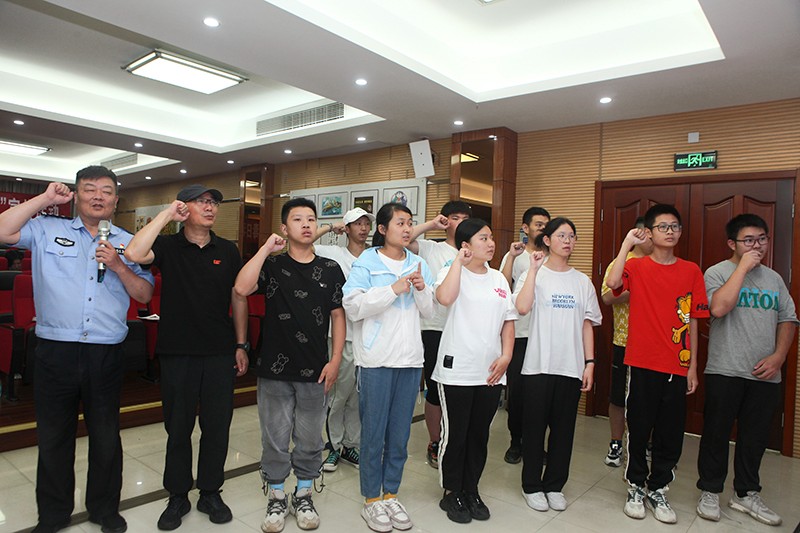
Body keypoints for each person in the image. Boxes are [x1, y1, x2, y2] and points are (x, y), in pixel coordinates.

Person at [0, 166, 154, 533]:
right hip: (55, 350)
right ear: (76, 195)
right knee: (54, 436)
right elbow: (3, 231)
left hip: (105, 352)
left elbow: (145, 293)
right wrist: (45, 199)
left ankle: (104, 509)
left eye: (106, 190)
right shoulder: (45, 229)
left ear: (116, 199)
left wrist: (118, 265)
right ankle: (53, 515)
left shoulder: (131, 243)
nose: (98, 196)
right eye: (89, 189)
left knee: (106, 435)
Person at [124, 184, 248, 531]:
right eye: (201, 202)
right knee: (178, 428)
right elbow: (133, 252)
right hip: (177, 351)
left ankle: (210, 491)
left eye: (214, 202)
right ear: (184, 207)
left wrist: (242, 344)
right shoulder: (167, 246)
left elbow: (238, 297)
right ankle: (178, 495)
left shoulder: (228, 249)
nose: (210, 207)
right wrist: (166, 214)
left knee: (217, 427)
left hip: (219, 351)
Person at [234, 197, 346, 533]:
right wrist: (265, 249)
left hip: (316, 368)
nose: (306, 224)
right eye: (297, 219)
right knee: (275, 436)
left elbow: (338, 316)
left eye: (311, 218)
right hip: (274, 368)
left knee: (310, 437)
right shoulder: (272, 266)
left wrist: (335, 359)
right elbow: (241, 288)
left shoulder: (330, 269)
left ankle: (304, 493)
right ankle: (277, 496)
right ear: (284, 228)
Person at [605, 204, 709, 524]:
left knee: (670, 431)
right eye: (663, 227)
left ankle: (659, 487)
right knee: (639, 427)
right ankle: (636, 486)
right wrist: (626, 243)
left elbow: (693, 319)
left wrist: (692, 367)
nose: (670, 232)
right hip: (641, 360)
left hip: (677, 364)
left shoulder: (691, 270)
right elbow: (612, 282)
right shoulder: (637, 266)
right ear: (649, 233)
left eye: (675, 226)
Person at [695, 214, 797, 526]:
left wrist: (779, 356)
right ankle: (710, 490)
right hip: (725, 369)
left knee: (754, 438)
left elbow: (788, 319)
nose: (757, 246)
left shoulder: (774, 279)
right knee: (716, 434)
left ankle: (746, 493)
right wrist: (743, 268)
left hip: (765, 373)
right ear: (732, 244)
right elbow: (718, 308)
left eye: (762, 239)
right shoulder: (716, 273)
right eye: (749, 240)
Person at [343, 202, 435, 533]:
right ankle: (371, 499)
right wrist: (392, 289)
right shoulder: (367, 262)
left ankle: (391, 494)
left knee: (399, 435)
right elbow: (353, 306)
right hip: (376, 360)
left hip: (409, 360)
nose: (407, 228)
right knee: (374, 434)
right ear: (382, 229)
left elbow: (429, 311)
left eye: (410, 223)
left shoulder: (419, 263)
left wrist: (421, 290)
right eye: (400, 223)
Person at [514, 218, 601, 513]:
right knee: (534, 429)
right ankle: (531, 485)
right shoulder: (534, 273)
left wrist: (590, 362)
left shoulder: (582, 281)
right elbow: (521, 307)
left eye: (572, 236)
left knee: (564, 431)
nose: (568, 241)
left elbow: (587, 324)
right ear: (548, 240)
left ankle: (554, 485)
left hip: (571, 366)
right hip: (538, 365)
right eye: (562, 235)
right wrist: (533, 270)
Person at [433, 218, 517, 523]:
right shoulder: (451, 271)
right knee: (455, 434)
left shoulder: (498, 280)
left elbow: (508, 321)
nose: (491, 243)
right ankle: (451, 490)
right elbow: (445, 298)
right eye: (483, 238)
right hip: (457, 369)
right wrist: (458, 261)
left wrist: (506, 356)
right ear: (466, 245)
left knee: (479, 434)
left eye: (491, 237)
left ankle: (471, 489)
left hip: (490, 371)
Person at [408, 200, 472, 469]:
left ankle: (453, 438)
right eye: (455, 218)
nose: (460, 223)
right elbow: (404, 239)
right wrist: (433, 224)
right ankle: (435, 441)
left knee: (458, 389)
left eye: (465, 218)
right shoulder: (431, 248)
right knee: (435, 388)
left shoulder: (474, 252)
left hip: (465, 329)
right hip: (434, 327)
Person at [312, 208, 375, 472]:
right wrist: (330, 227)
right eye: (357, 224)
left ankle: (351, 445)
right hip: (342, 337)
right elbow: (305, 243)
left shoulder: (375, 255)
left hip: (369, 338)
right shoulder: (335, 254)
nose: (363, 228)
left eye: (366, 224)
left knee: (358, 397)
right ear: (347, 229)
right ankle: (334, 446)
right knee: (338, 395)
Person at [497, 206, 550, 464]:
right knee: (517, 393)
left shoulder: (553, 257)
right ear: (526, 228)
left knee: (540, 394)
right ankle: (516, 441)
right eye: (538, 224)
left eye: (546, 225)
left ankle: (536, 444)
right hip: (519, 334)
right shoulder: (515, 256)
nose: (543, 229)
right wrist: (510, 256)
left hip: (545, 336)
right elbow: (502, 287)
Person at [599, 217, 653, 467]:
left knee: (649, 398)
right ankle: (616, 443)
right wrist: (634, 290)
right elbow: (607, 297)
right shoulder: (622, 262)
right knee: (618, 396)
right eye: (648, 233)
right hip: (624, 340)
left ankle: (644, 444)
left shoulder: (661, 264)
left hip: (655, 343)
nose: (652, 238)